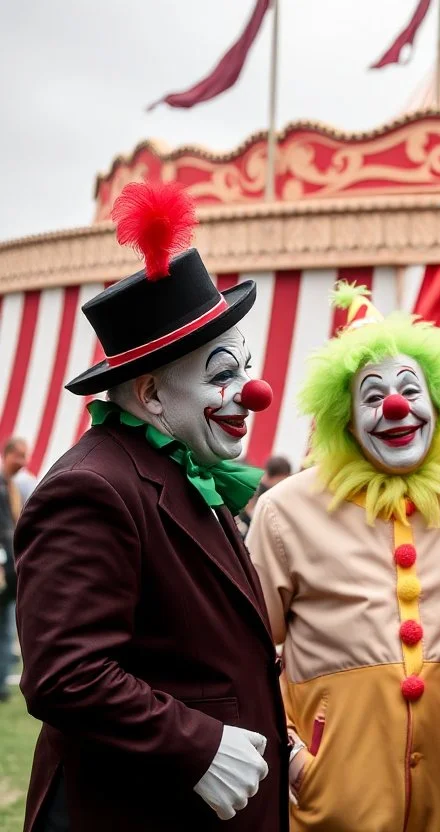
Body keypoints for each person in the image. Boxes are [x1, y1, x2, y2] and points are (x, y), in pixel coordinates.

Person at [14, 181, 288, 832]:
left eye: (244, 367)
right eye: (224, 373)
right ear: (152, 396)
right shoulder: (93, 488)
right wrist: (198, 747)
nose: (252, 392)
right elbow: (64, 674)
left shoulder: (181, 468)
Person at [247, 283, 440, 831]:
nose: (395, 407)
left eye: (411, 389)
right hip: (334, 804)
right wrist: (291, 756)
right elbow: (240, 651)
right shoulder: (285, 511)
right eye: (371, 396)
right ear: (343, 416)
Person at [0, 437, 27, 703]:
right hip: (3, 566)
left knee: (7, 626)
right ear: (7, 455)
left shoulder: (13, 487)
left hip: (10, 568)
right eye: (19, 456)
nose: (23, 462)